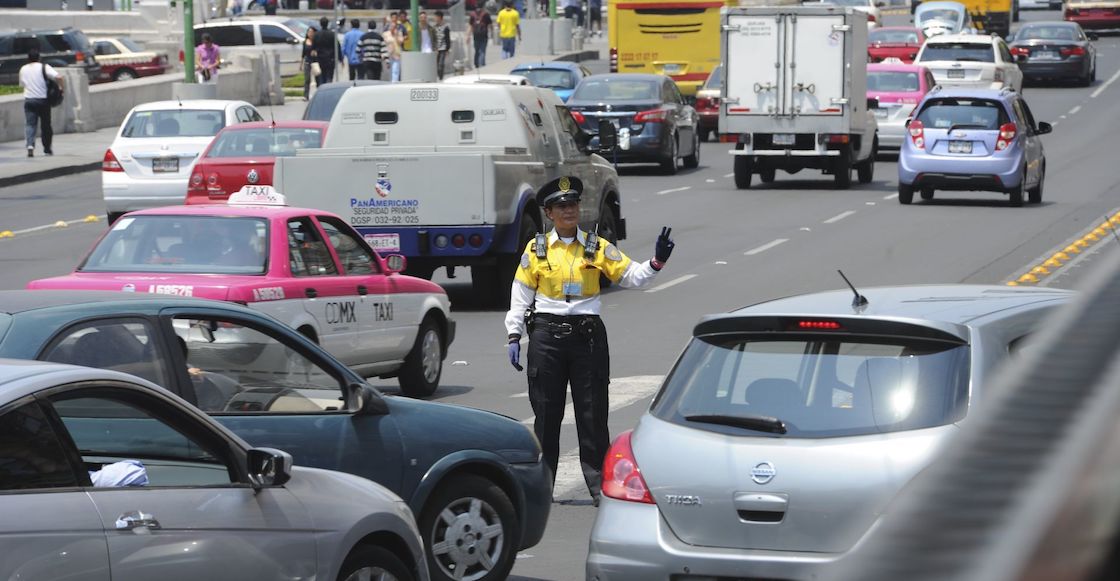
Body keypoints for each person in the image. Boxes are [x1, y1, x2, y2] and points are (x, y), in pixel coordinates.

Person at [504, 176, 675, 506]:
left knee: (593, 413)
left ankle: (599, 488)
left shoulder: (596, 246)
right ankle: (543, 487)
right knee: (546, 414)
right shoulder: (536, 250)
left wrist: (656, 262)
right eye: (561, 206)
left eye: (573, 205)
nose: (569, 211)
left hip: (588, 337)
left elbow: (631, 276)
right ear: (549, 212)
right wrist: (514, 334)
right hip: (547, 336)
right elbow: (520, 295)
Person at [19, 48, 63, 158]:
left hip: (29, 100)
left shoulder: (23, 69)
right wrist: (61, 88)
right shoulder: (44, 67)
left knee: (30, 124)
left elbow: (22, 85)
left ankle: (30, 145)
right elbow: (59, 77)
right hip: (43, 100)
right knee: (46, 125)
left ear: (28, 59)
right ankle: (47, 149)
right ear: (39, 58)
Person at [312, 17, 338, 85]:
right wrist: (340, 58)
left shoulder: (316, 34)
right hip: (330, 58)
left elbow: (313, 47)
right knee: (329, 76)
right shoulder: (332, 34)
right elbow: (336, 46)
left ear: (320, 24)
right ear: (327, 24)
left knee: (322, 76)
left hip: (320, 58)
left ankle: (323, 87)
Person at [469, 3, 493, 68]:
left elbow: (471, 25)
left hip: (475, 35)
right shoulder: (486, 14)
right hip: (484, 35)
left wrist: (468, 35)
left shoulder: (472, 14)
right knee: (482, 50)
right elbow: (490, 24)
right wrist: (492, 33)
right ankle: (481, 65)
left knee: (476, 50)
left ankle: (476, 64)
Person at [433, 10, 451, 80]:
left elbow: (447, 39)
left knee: (441, 64)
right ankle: (438, 76)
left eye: (436, 17)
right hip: (436, 49)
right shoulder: (434, 28)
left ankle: (441, 77)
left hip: (443, 49)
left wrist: (447, 49)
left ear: (440, 17)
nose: (435, 19)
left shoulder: (446, 27)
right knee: (436, 64)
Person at [301, 27, 317, 99]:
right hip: (307, 61)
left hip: (315, 62)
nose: (310, 33)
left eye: (311, 32)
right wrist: (301, 64)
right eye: (309, 32)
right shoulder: (305, 42)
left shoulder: (316, 41)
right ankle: (305, 95)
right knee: (307, 79)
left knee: (317, 78)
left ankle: (317, 94)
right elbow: (303, 53)